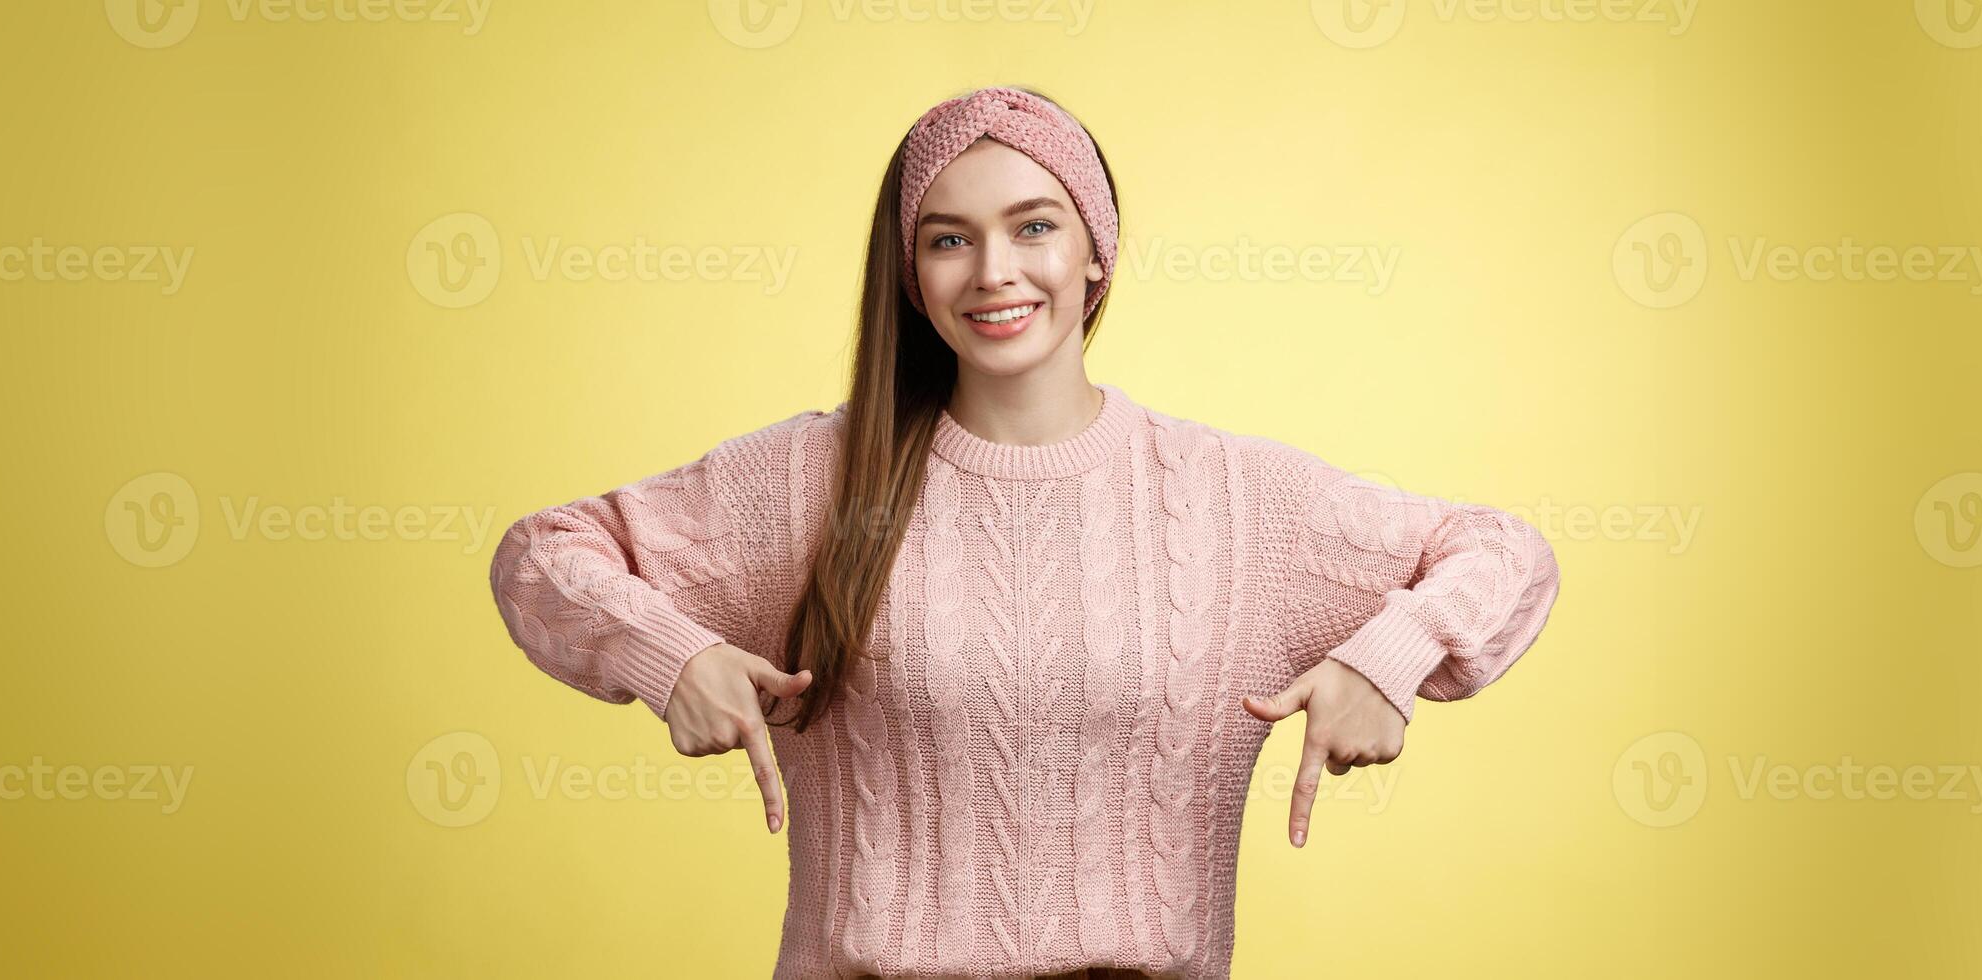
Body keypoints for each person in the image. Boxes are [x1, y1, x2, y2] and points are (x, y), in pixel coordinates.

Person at [487, 84, 1563, 980]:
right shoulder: (816, 478)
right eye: (948, 239)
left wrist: (1390, 655)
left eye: (1033, 225)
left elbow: (1505, 550)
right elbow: (541, 553)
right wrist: (667, 654)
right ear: (912, 280)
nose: (993, 269)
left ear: (1094, 251)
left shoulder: (1234, 500)